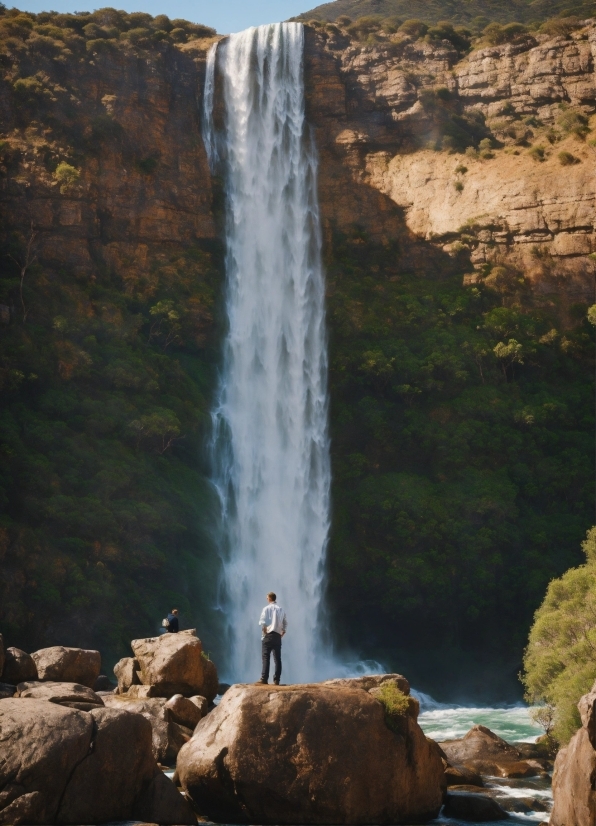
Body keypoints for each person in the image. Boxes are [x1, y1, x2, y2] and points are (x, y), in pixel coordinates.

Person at [258, 592, 287, 685]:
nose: (266, 599)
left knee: (266, 657)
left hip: (268, 635)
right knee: (277, 659)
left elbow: (262, 622)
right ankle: (277, 680)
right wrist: (283, 631)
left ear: (269, 598)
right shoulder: (281, 609)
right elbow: (285, 622)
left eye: (267, 598)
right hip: (278, 636)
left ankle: (264, 678)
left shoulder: (266, 609)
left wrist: (265, 630)